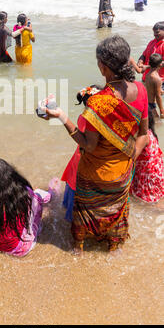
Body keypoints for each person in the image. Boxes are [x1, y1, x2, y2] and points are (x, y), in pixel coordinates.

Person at [40, 35, 148, 253]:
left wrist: (61, 116)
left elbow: (88, 145)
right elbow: (144, 135)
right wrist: (130, 158)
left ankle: (78, 250)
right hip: (123, 173)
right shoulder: (142, 90)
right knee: (116, 213)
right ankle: (113, 248)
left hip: (94, 174)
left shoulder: (99, 102)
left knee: (86, 213)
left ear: (102, 67)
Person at [0, 158, 55, 257]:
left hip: (7, 249)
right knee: (37, 194)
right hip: (27, 243)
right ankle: (53, 193)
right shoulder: (23, 190)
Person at [61, 85, 101, 222]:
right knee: (83, 189)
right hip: (85, 159)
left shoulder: (82, 117)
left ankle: (70, 216)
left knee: (74, 187)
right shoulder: (92, 120)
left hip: (79, 155)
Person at [130, 109, 164, 203]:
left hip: (148, 177)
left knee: (148, 204)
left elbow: (132, 157)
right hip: (156, 174)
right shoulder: (151, 132)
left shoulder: (143, 136)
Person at [145, 53, 164, 119]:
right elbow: (158, 97)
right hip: (151, 106)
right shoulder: (157, 79)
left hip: (146, 104)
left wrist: (160, 90)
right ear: (160, 64)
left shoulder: (147, 75)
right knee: (158, 124)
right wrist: (162, 111)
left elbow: (150, 89)